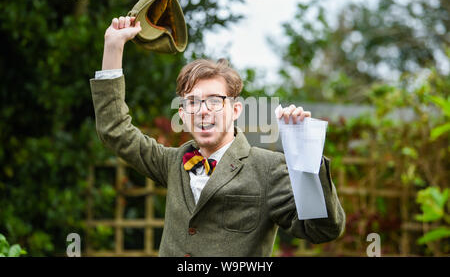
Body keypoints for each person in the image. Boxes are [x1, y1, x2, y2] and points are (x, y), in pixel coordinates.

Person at [90, 16, 345, 257]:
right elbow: (115, 130)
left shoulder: (267, 168)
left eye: (214, 101)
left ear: (235, 110)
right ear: (182, 113)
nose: (203, 111)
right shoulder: (173, 163)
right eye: (193, 102)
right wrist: (113, 47)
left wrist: (305, 153)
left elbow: (322, 230)